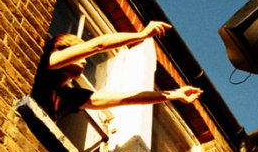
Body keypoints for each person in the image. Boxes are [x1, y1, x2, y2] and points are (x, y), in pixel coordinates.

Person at [31, 21, 203, 122]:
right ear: (61, 51)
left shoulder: (70, 97)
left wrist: (175, 94)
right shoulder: (48, 64)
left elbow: (126, 98)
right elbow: (98, 45)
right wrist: (142, 35)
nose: (85, 60)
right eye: (79, 54)